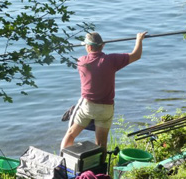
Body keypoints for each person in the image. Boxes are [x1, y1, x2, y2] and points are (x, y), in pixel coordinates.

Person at [60, 30, 147, 159]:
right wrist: (139, 39)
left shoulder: (81, 61)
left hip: (87, 107)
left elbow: (92, 57)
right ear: (103, 45)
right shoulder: (111, 60)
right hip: (106, 108)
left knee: (71, 134)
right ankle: (99, 169)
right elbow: (136, 55)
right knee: (101, 143)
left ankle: (63, 163)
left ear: (88, 47)